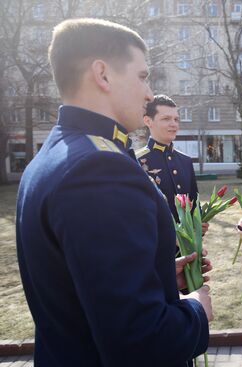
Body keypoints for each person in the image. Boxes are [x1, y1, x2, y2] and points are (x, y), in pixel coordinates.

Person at [16, 18, 212, 367]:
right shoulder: (100, 169)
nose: (150, 92)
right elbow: (139, 340)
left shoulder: (56, 153)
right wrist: (197, 311)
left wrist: (158, 276)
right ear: (103, 74)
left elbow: (77, 286)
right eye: (142, 76)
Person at [136, 95, 207, 235]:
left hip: (188, 251)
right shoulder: (136, 161)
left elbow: (194, 207)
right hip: (155, 250)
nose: (173, 124)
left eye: (176, 119)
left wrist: (199, 225)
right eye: (166, 119)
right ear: (148, 121)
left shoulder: (185, 161)